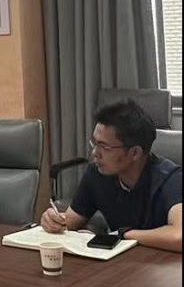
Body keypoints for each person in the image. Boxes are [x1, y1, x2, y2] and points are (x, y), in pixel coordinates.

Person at [41, 100, 182, 253]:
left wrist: (123, 235)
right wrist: (53, 221)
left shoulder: (171, 179)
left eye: (105, 147)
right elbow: (69, 222)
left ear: (135, 153)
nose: (95, 153)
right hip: (120, 262)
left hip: (164, 264)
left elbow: (179, 236)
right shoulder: (96, 174)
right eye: (95, 143)